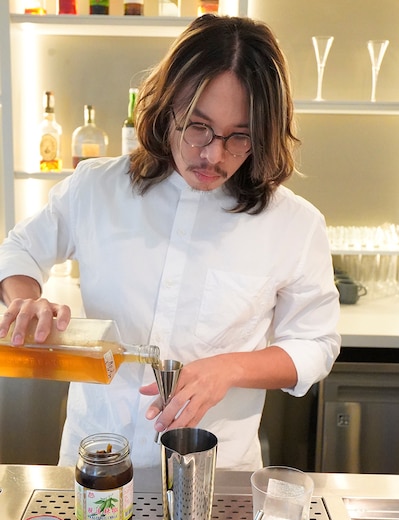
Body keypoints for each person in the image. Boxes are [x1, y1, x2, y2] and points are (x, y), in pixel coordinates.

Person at [0, 15, 341, 470]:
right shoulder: (97, 189)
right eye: (198, 126)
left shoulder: (294, 224)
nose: (213, 154)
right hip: (96, 456)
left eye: (240, 136)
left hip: (217, 473)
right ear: (166, 108)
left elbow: (317, 342)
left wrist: (231, 368)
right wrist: (27, 301)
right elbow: (20, 248)